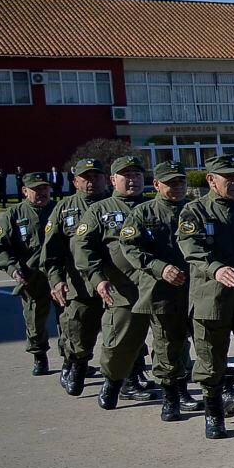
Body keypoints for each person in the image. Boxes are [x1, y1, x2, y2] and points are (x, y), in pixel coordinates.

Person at [179, 154, 234, 439]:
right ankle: (214, 414)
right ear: (211, 180)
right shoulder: (195, 212)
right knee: (211, 362)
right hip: (211, 299)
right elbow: (191, 248)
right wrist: (215, 269)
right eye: (228, 178)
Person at [117, 161, 203, 422]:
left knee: (203, 341)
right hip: (162, 290)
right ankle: (171, 397)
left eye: (180, 182)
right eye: (170, 183)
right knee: (167, 343)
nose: (176, 187)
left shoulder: (196, 210)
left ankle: (194, 390)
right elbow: (130, 247)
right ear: (156, 185)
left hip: (197, 288)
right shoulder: (144, 213)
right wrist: (159, 267)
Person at [78, 157, 156, 409]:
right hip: (122, 289)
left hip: (157, 286)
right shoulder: (100, 210)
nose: (132, 180)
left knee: (168, 340)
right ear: (113, 180)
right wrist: (97, 278)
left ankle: (167, 387)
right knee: (121, 341)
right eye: (126, 175)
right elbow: (82, 247)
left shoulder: (154, 205)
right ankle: (113, 382)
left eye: (136, 175)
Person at [39, 157, 111, 396]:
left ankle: (132, 374)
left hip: (116, 282)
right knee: (79, 331)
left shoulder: (116, 204)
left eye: (96, 176)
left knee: (123, 330)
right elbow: (52, 252)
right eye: (86, 178)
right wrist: (56, 280)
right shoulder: (64, 208)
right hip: (79, 283)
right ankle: (77, 365)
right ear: (76, 182)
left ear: (106, 178)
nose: (92, 182)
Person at [0, 171, 58, 375]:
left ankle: (73, 360)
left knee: (70, 319)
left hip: (60, 274)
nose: (41, 192)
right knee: (35, 318)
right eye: (36, 189)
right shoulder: (14, 214)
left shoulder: (59, 209)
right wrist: (12, 270)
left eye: (44, 188)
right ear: (24, 191)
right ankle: (39, 356)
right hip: (31, 276)